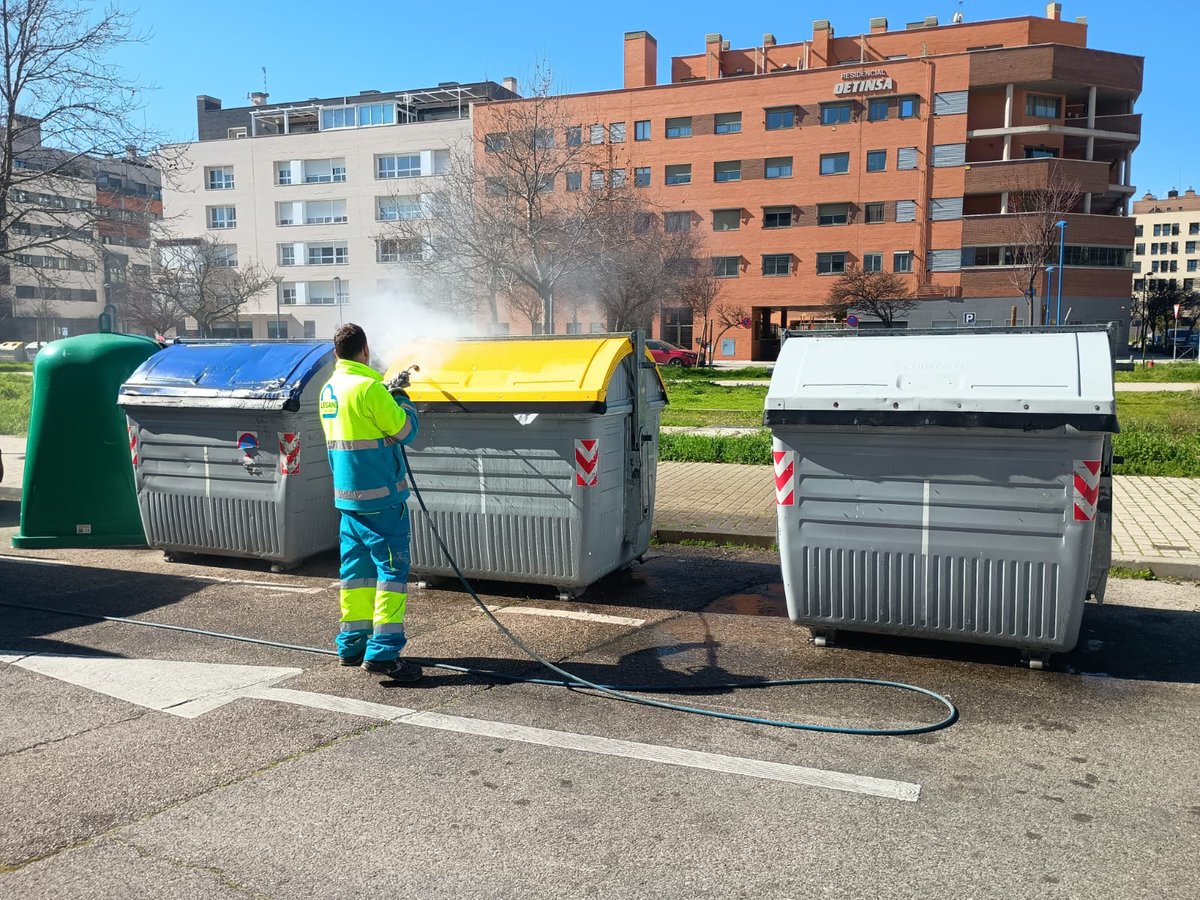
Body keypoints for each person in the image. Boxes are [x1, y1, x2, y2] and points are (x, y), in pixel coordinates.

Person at [319, 323, 422, 682]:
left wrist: (385, 395)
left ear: (336, 354)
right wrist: (402, 399)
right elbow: (406, 432)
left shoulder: (329, 389)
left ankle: (352, 645)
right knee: (391, 574)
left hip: (348, 502)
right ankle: (383, 654)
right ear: (365, 350)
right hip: (382, 502)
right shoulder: (370, 389)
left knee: (355, 575)